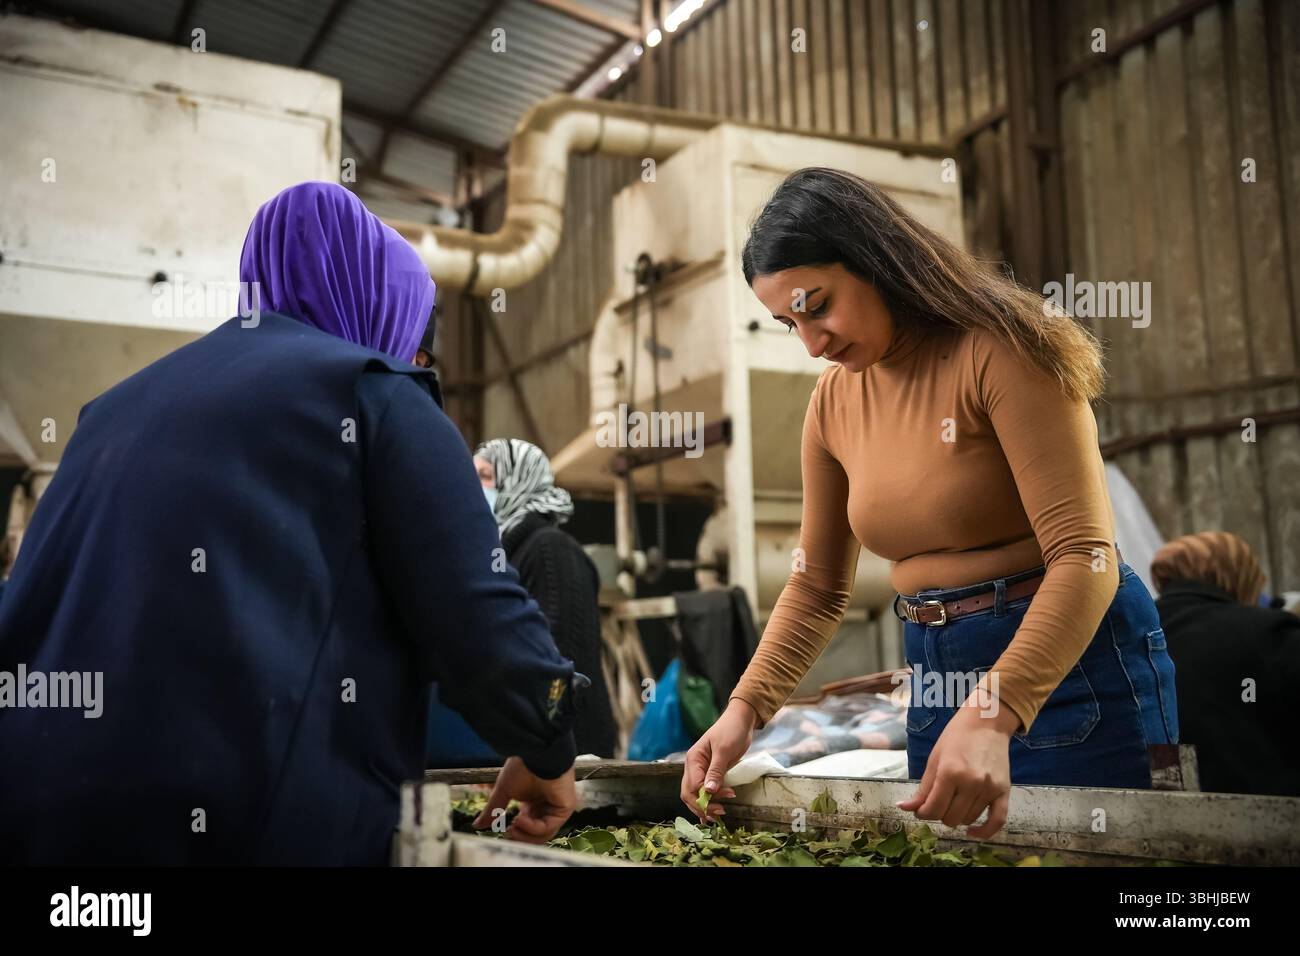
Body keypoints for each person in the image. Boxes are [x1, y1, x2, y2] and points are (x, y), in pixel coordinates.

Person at [0, 182, 578, 864]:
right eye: (414, 344)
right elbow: (480, 619)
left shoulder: (109, 415)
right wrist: (549, 743)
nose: (413, 363)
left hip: (43, 827)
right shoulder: (377, 394)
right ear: (379, 310)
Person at [681, 167, 1178, 838]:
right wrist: (744, 709)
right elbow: (819, 584)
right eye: (786, 323)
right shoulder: (833, 402)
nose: (812, 343)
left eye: (818, 305)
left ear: (876, 262)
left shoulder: (1003, 349)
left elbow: (1084, 555)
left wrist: (994, 711)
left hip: (1069, 668)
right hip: (935, 675)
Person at [472, 438, 618, 758]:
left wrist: (545, 739)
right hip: (533, 740)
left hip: (571, 746)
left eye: (485, 476)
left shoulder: (549, 549)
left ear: (520, 478)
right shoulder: (504, 553)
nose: (474, 487)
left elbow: (559, 650)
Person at [1152, 532, 1300, 796]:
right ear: (1241, 575)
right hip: (1270, 819)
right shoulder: (1270, 631)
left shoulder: (1137, 637)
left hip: (1164, 817)